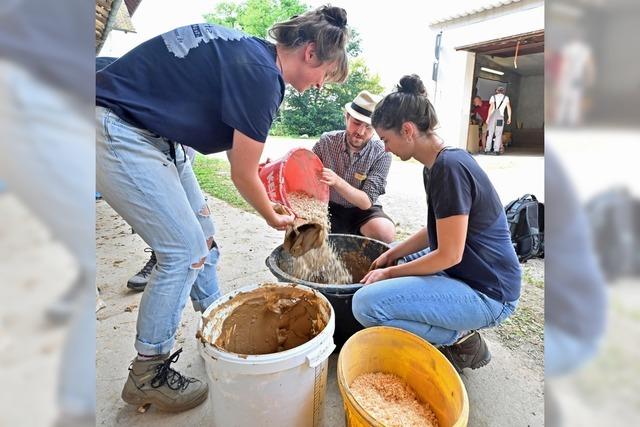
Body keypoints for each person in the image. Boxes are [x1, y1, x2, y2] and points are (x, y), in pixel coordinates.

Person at [96, 6, 349, 412]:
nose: (319, 86)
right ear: (310, 54)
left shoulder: (250, 54)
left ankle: (219, 326)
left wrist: (265, 183)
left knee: (204, 244)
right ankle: (148, 370)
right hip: (119, 128)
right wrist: (273, 216)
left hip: (159, 137)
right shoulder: (265, 78)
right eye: (326, 75)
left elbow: (248, 162)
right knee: (182, 252)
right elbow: (241, 175)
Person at [352, 74, 521, 373]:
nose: (386, 148)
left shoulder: (450, 168)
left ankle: (459, 338)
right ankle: (445, 318)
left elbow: (448, 254)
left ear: (407, 130)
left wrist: (391, 272)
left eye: (386, 140)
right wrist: (392, 253)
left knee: (365, 305)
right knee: (389, 256)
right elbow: (437, 232)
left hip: (489, 292)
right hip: (464, 270)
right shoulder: (435, 166)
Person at [312, 90, 395, 243]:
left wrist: (337, 181)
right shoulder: (326, 141)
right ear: (346, 117)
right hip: (329, 204)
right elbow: (305, 169)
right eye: (356, 123)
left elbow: (366, 201)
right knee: (302, 227)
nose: (360, 132)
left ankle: (366, 254)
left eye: (369, 127)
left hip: (362, 210)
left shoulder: (382, 152)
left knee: (385, 233)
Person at [485, 86, 511, 154]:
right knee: (498, 133)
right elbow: (508, 108)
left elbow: (491, 108)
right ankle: (496, 150)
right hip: (500, 117)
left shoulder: (493, 97)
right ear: (503, 91)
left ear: (497, 91)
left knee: (490, 133)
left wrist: (488, 118)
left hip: (492, 117)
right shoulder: (506, 98)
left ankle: (487, 149)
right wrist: (509, 117)